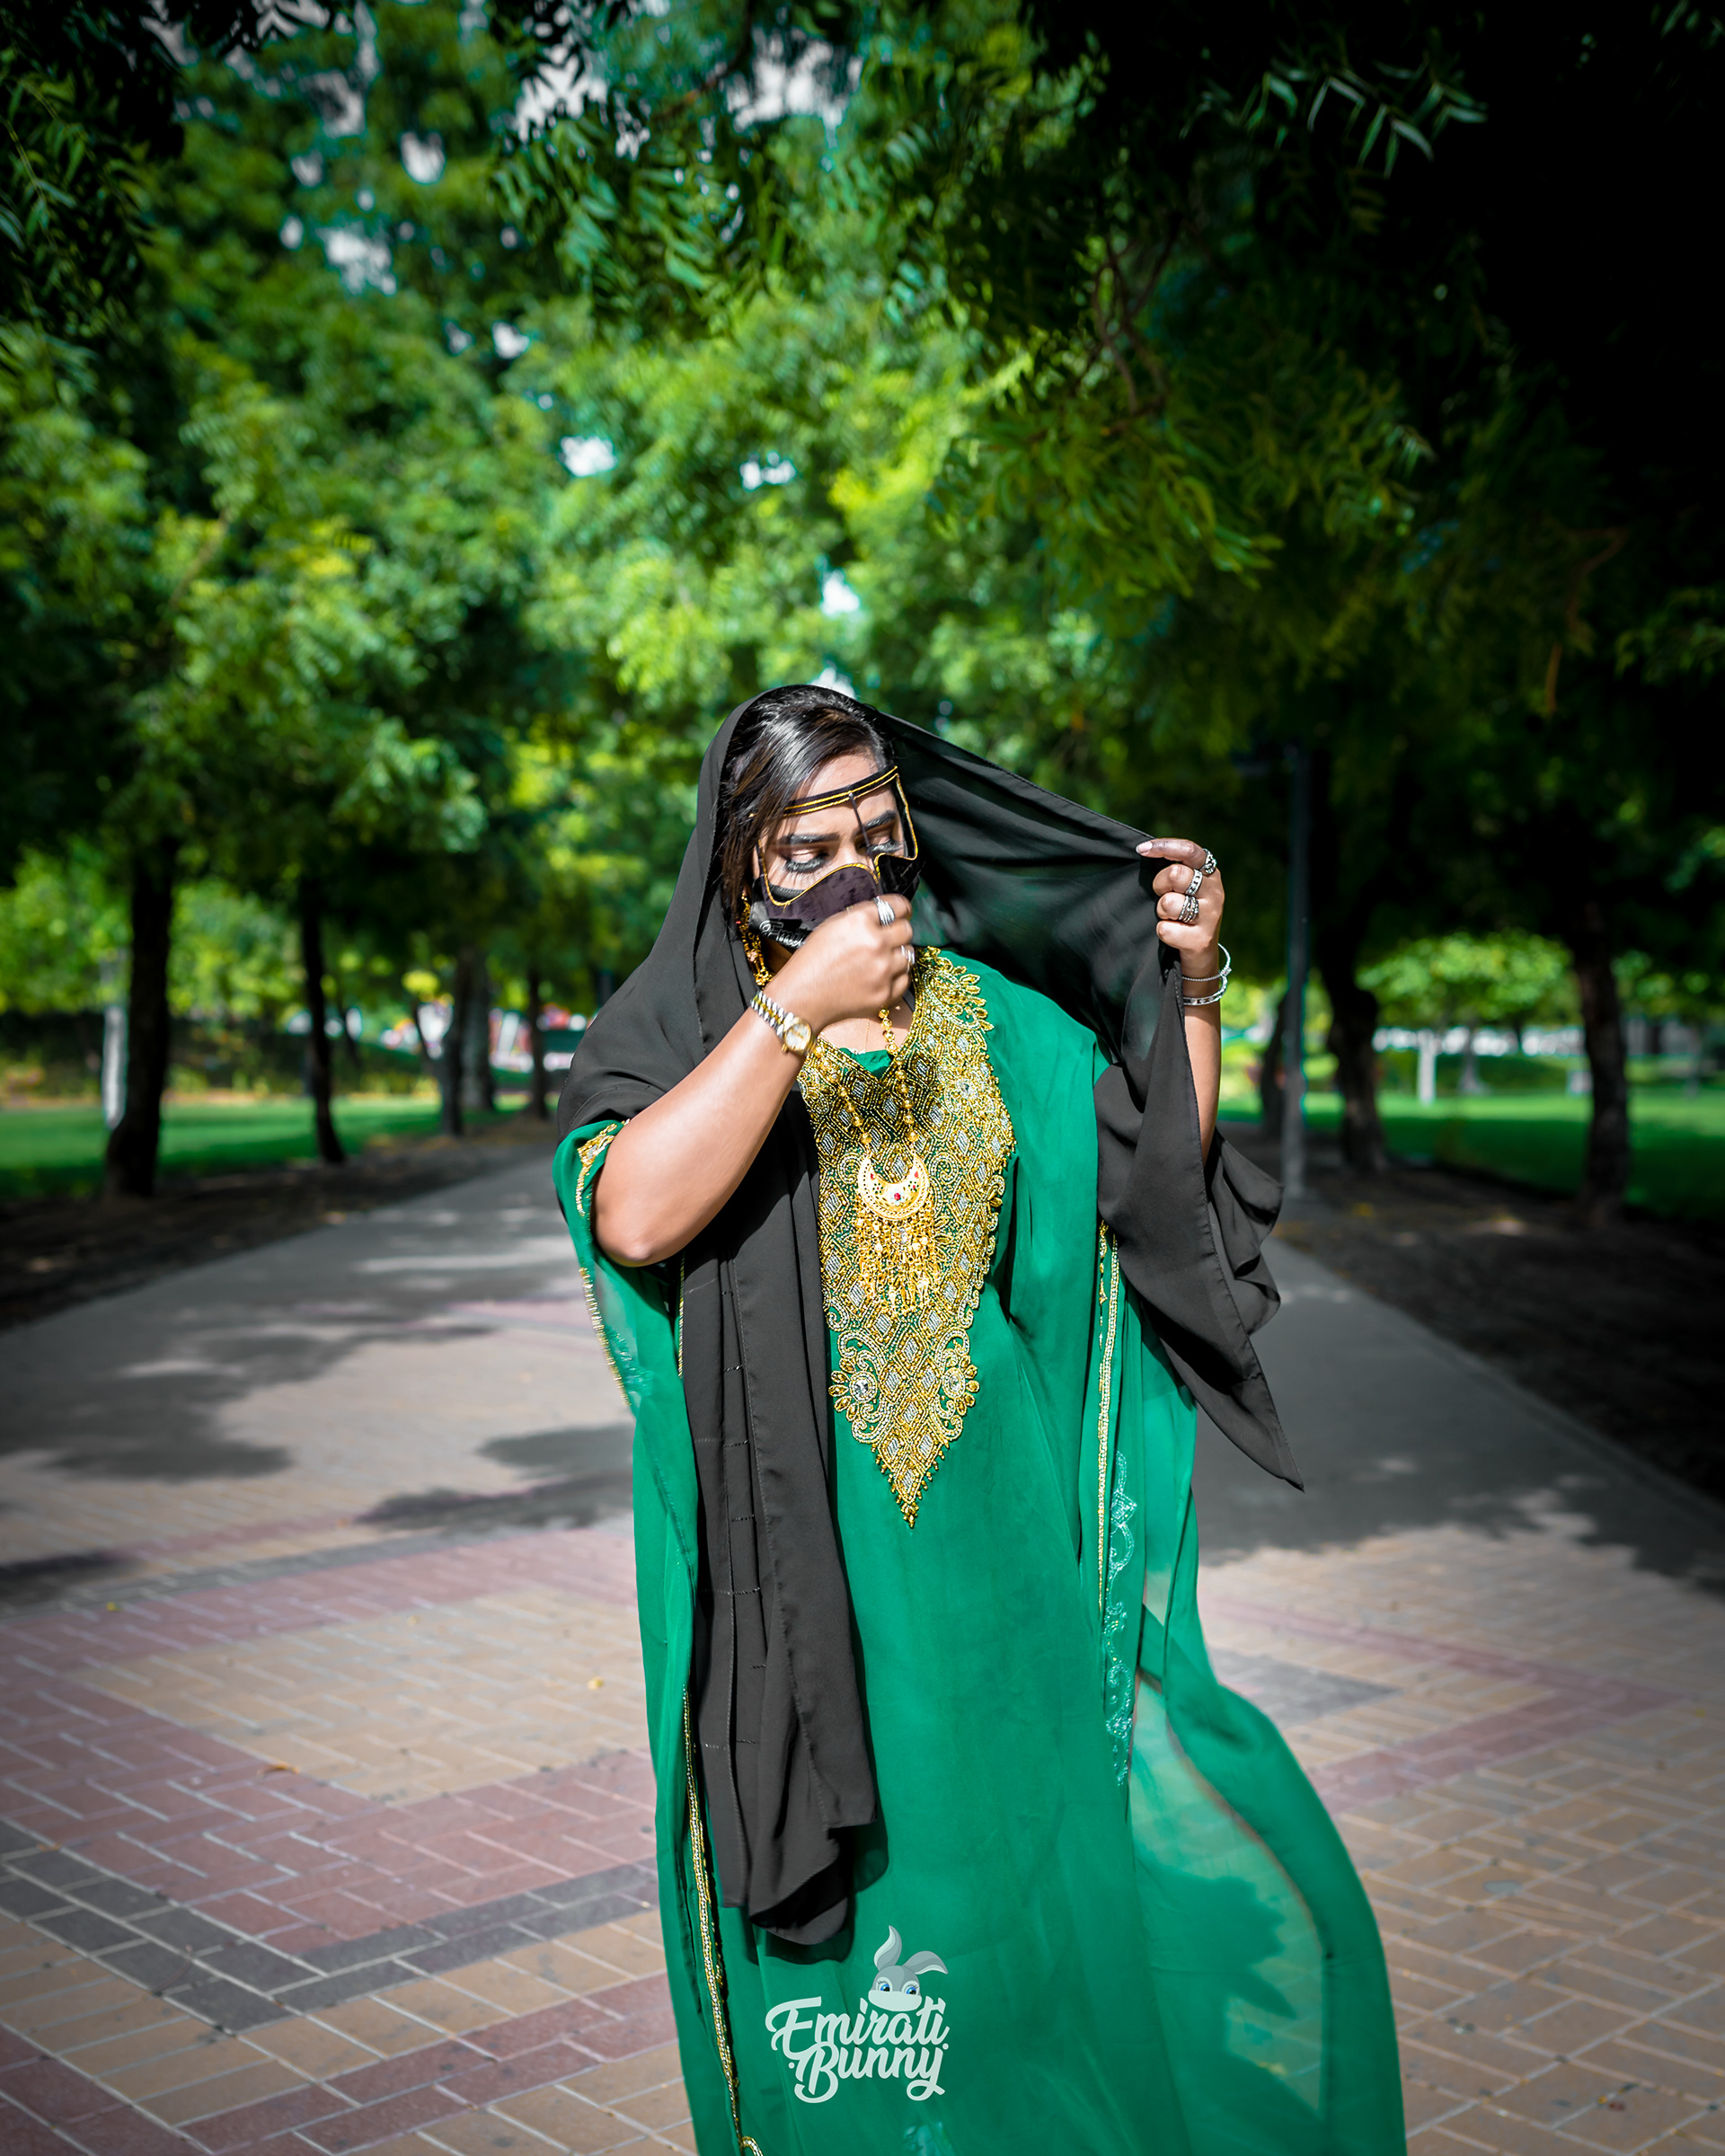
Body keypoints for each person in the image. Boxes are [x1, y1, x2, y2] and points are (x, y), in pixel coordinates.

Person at [553, 685, 1403, 2155]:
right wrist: (795, 1011)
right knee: (866, 1950)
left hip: (1002, 1553)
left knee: (1016, 1908)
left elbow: (1156, 1168)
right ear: (740, 861)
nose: (854, 869)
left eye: (876, 832)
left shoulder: (989, 1019)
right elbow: (633, 1214)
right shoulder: (690, 1030)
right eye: (807, 846)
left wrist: (1195, 983)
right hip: (802, 1572)